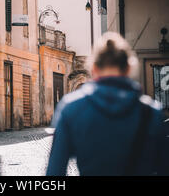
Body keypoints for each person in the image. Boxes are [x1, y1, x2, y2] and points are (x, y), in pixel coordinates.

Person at [46, 33, 169, 176]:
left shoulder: (72, 109)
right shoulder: (152, 113)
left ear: (94, 69)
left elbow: (55, 172)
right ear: (128, 68)